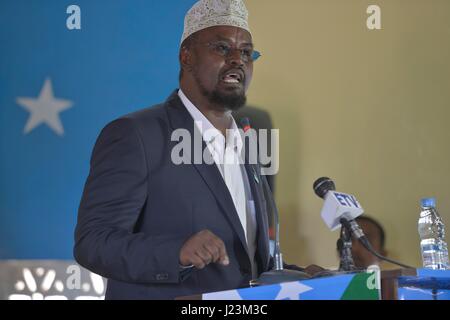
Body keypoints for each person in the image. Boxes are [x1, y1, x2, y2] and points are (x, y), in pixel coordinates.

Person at [74, 0, 316, 300]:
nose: (237, 60)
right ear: (186, 56)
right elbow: (94, 242)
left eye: (245, 52)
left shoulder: (249, 144)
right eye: (222, 48)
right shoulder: (136, 135)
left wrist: (306, 279)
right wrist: (176, 251)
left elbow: (247, 263)